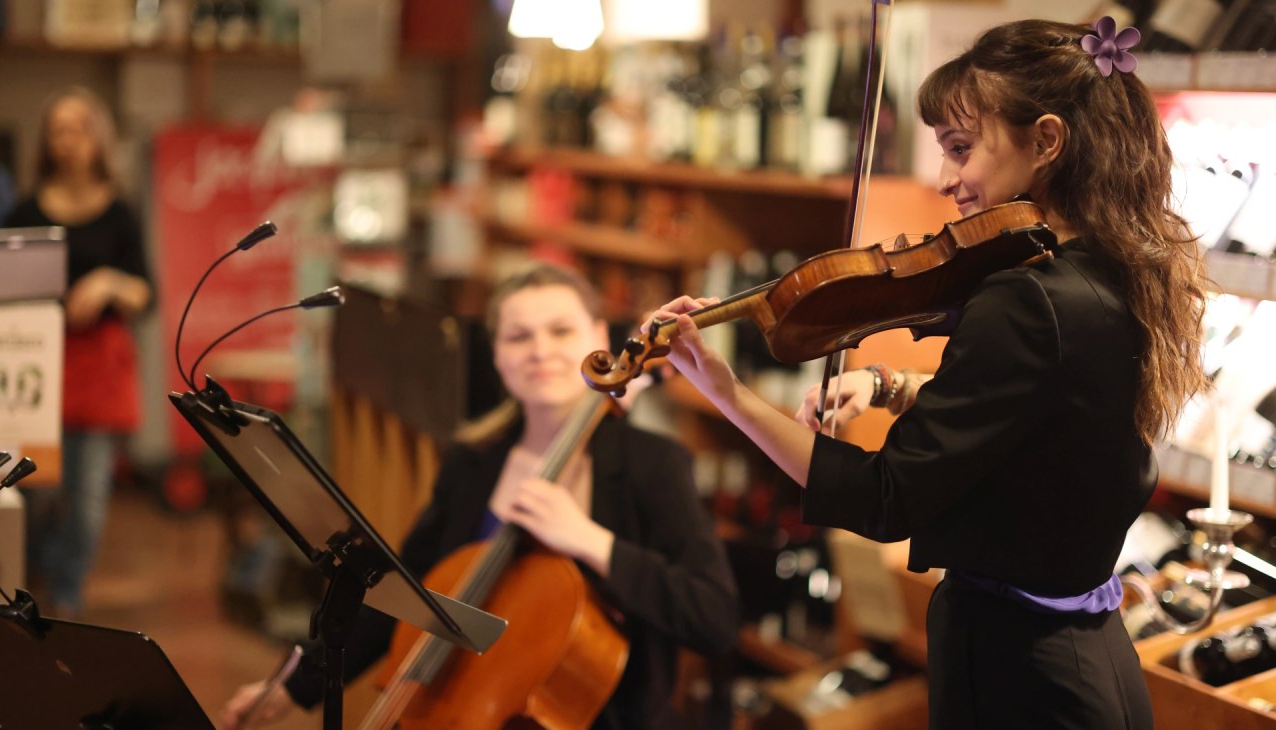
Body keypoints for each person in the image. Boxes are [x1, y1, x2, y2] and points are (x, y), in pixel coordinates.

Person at [645, 18, 1205, 729]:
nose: (946, 181)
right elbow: (1042, 424)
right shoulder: (1116, 273)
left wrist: (727, 397)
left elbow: (885, 500)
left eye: (961, 150)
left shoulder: (1026, 297)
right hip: (1091, 660)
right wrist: (887, 384)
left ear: (1047, 142)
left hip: (1014, 672)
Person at [222, 263, 739, 730]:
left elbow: (713, 617)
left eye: (561, 331)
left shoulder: (653, 464)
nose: (540, 350)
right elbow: (404, 597)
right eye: (518, 336)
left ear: (599, 337)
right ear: (496, 355)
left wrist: (592, 541)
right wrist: (294, 688)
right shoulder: (474, 463)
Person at [3, 86, 152, 618]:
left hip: (98, 371)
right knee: (35, 492)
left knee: (88, 502)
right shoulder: (24, 208)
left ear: (98, 139)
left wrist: (110, 282)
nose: (67, 141)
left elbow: (144, 293)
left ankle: (67, 599)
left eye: (78, 129)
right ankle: (33, 585)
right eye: (58, 130)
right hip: (35, 367)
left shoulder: (120, 213)